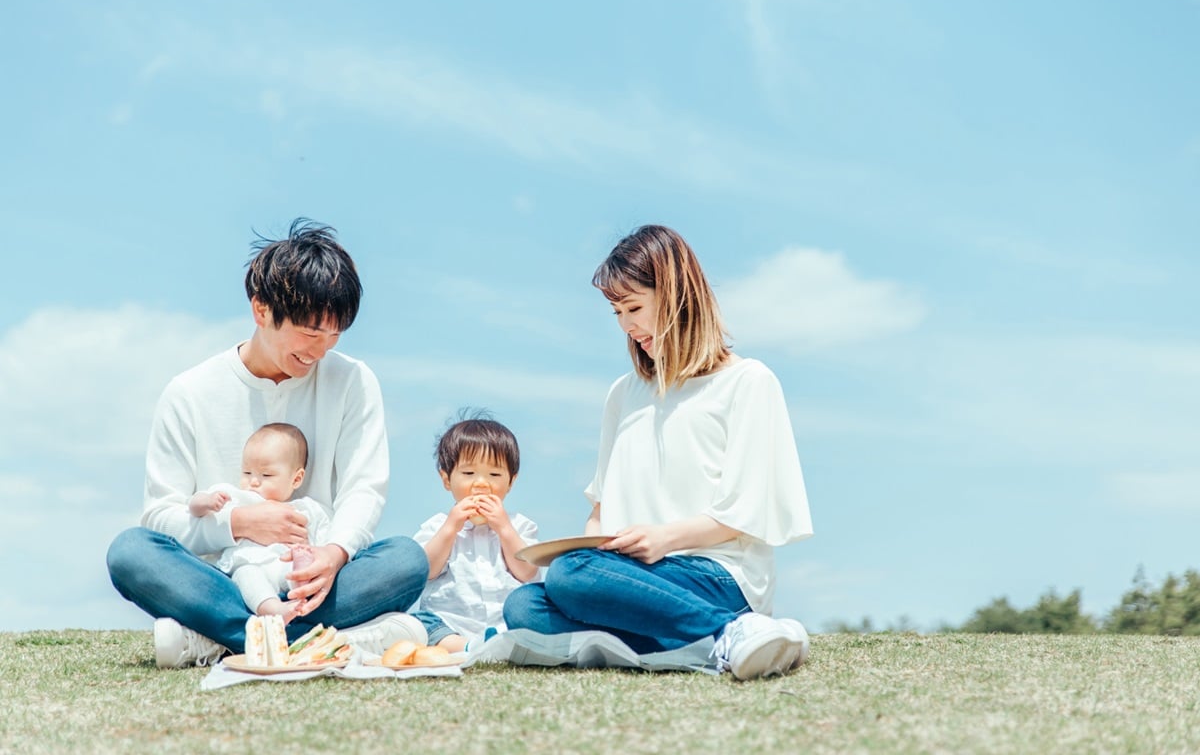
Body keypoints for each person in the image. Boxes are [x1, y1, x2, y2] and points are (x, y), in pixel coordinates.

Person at [106, 219, 429, 668]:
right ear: (261, 309)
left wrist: (332, 554)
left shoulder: (352, 381)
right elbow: (162, 517)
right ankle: (323, 640)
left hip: (311, 579)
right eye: (310, 332)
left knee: (407, 560)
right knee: (131, 551)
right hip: (222, 580)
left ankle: (222, 640)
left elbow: (364, 488)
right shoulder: (190, 392)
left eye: (334, 335)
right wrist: (238, 523)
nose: (320, 350)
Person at [503, 224, 814, 680]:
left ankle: (732, 628)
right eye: (616, 312)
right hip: (634, 578)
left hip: (717, 576)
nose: (627, 325)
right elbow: (601, 510)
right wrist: (594, 542)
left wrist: (662, 539)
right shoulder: (622, 393)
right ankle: (705, 646)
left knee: (571, 575)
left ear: (675, 296)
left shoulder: (748, 382)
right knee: (523, 604)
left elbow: (745, 514)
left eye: (634, 307)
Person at [412, 411, 539, 652]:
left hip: (505, 624)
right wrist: (451, 528)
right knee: (419, 623)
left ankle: (495, 644)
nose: (481, 483)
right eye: (468, 474)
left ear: (511, 482)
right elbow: (426, 570)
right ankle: (470, 647)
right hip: (450, 623)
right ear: (446, 479)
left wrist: (503, 528)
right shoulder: (438, 525)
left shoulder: (519, 525)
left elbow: (527, 571)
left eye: (494, 474)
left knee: (537, 609)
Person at [188, 423, 330, 622]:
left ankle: (299, 598)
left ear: (296, 479)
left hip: (284, 567)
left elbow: (324, 543)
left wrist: (313, 554)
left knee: (301, 570)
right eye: (247, 473)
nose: (253, 481)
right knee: (247, 576)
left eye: (266, 475)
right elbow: (193, 507)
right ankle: (273, 610)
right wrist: (207, 502)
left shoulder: (305, 510)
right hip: (249, 564)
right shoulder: (236, 497)